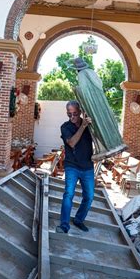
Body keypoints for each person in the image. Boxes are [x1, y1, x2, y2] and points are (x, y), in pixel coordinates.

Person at [71, 58, 127, 161]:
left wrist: (77, 91)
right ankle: (115, 142)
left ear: (77, 68)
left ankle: (108, 146)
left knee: (98, 122)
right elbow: (99, 85)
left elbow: (84, 90)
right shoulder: (91, 72)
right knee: (105, 119)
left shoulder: (81, 75)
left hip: (92, 102)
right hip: (100, 100)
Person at [56, 100, 94, 233]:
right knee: (68, 194)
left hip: (88, 166)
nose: (72, 117)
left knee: (89, 196)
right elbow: (71, 143)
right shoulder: (65, 127)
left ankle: (78, 220)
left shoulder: (89, 125)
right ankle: (64, 225)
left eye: (75, 114)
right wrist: (82, 126)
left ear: (81, 112)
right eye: (69, 114)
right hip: (72, 165)